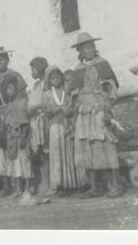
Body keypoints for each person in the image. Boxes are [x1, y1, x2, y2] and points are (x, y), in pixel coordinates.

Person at [70, 32, 122, 198]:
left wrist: (107, 109)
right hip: (85, 112)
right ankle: (95, 186)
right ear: (80, 50)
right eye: (85, 47)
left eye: (91, 46)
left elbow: (111, 88)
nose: (89, 49)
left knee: (107, 144)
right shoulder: (77, 70)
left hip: (100, 108)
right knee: (87, 146)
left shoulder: (102, 64)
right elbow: (73, 94)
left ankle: (116, 184)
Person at [0, 46, 27, 196]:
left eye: (2, 60)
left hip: (11, 117)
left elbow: (22, 97)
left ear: (7, 60)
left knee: (12, 149)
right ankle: (5, 185)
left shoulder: (14, 76)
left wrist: (16, 113)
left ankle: (18, 186)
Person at [42, 66, 86, 196]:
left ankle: (72, 183)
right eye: (52, 78)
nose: (55, 80)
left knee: (69, 154)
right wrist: (58, 109)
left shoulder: (66, 92)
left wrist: (67, 110)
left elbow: (71, 107)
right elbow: (47, 111)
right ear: (49, 80)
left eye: (57, 77)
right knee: (57, 156)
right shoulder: (47, 95)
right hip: (55, 127)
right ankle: (60, 185)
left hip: (67, 126)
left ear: (61, 78)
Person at [1, 75, 33, 198]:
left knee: (24, 163)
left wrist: (24, 138)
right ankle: (18, 188)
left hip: (20, 138)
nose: (7, 91)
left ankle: (28, 187)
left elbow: (25, 123)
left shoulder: (21, 103)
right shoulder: (10, 104)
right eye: (6, 89)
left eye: (10, 88)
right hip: (12, 139)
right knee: (15, 164)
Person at [27, 56, 50, 194]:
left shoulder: (46, 85)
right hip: (35, 122)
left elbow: (45, 101)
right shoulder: (35, 86)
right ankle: (44, 181)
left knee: (46, 151)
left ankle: (50, 182)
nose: (31, 72)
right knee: (39, 153)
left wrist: (35, 107)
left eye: (33, 69)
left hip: (43, 120)